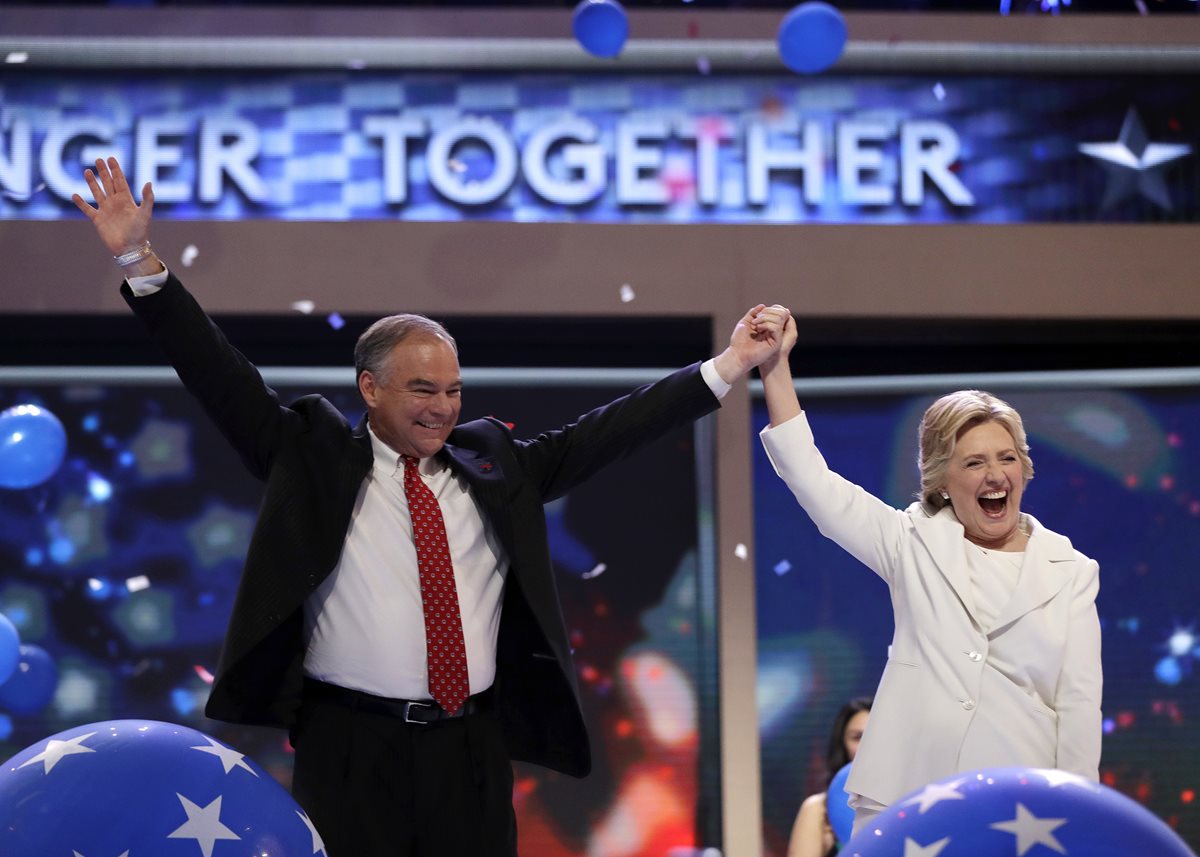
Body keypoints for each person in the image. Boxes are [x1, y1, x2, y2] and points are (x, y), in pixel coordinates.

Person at [73, 156, 790, 857]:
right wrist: (139, 259)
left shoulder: (495, 466)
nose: (443, 407)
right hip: (349, 746)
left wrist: (728, 365)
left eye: (453, 389)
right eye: (423, 389)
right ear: (370, 388)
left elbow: (617, 427)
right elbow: (216, 371)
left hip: (469, 747)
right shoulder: (311, 455)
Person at [757, 309, 1102, 836]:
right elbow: (813, 481)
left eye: (1006, 458)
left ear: (1024, 469)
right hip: (909, 800)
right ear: (941, 482)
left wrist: (1077, 819)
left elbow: (1078, 705)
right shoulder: (910, 542)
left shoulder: (1071, 571)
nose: (995, 475)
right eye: (973, 463)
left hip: (1019, 812)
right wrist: (775, 368)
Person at [787, 697, 872, 857]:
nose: (867, 744)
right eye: (857, 737)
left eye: (875, 735)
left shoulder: (907, 802)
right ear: (842, 744)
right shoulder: (818, 810)